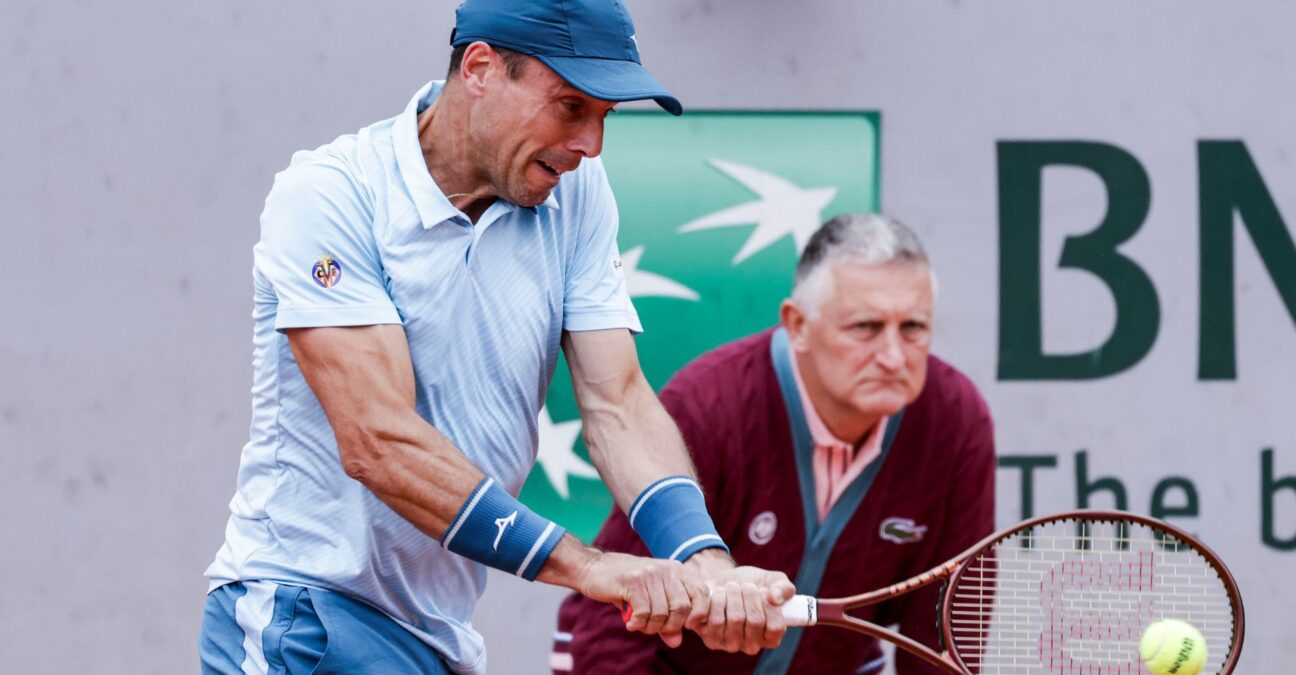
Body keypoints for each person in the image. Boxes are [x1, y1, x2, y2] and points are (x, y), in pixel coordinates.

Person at [198, 1, 795, 673]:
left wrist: (703, 560)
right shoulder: (332, 194)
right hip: (308, 613)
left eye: (606, 117)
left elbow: (618, 404)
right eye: (571, 106)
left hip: (438, 630)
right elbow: (378, 441)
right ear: (480, 68)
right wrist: (589, 566)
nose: (591, 145)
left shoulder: (579, 194)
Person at [554, 213, 997, 674]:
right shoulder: (710, 405)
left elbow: (947, 628)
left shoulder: (957, 421)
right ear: (797, 324)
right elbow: (613, 619)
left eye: (913, 329)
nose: (892, 356)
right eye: (865, 327)